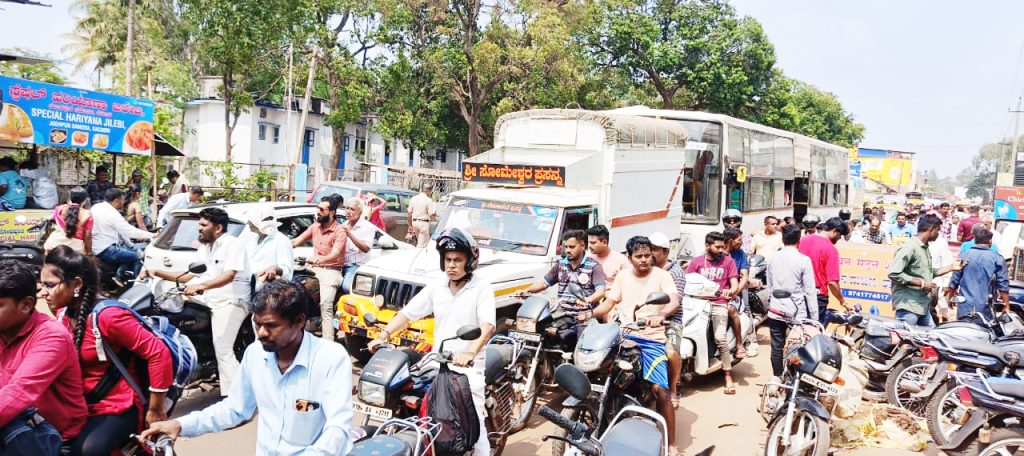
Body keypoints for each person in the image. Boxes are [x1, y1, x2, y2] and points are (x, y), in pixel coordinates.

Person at [140, 280, 355, 455]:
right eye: (257, 323)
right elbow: (235, 408)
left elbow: (338, 429)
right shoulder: (255, 354)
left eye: (271, 325)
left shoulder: (331, 358)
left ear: (299, 321)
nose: (261, 333)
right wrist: (180, 424)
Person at [368, 228, 496, 456]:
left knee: (473, 425)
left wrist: (469, 353)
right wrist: (383, 335)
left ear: (470, 261)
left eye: (458, 260)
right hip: (437, 361)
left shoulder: (481, 288)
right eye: (448, 259)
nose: (452, 265)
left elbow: (488, 326)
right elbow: (408, 313)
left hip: (467, 368)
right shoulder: (438, 286)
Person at [42, 247, 172, 456]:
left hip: (118, 404)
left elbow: (158, 353)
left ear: (77, 284)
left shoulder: (108, 316)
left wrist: (156, 409)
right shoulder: (63, 314)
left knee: (87, 451)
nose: (43, 292)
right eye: (42, 285)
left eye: (50, 285)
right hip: (80, 404)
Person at [143, 208, 250, 394]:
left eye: (203, 225)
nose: (199, 228)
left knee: (223, 348)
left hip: (230, 300)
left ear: (218, 228)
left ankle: (236, 396)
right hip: (209, 298)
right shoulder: (205, 247)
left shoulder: (232, 244)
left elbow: (229, 275)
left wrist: (203, 286)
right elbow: (189, 275)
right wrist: (157, 272)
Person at [592, 236, 680, 454]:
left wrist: (661, 315)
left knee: (661, 391)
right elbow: (610, 302)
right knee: (600, 376)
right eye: (638, 256)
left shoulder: (662, 275)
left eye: (647, 255)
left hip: (651, 338)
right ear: (629, 257)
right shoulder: (622, 276)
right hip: (624, 335)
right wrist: (590, 313)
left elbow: (673, 300)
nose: (644, 260)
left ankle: (670, 443)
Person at [0, 260, 87, 453]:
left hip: (51, 437)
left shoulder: (51, 337)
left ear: (26, 305)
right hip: (12, 425)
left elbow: (19, 390)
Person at [685, 232, 740, 394]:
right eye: (717, 247)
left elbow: (734, 283)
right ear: (707, 245)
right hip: (697, 303)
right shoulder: (696, 262)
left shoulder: (728, 261)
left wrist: (730, 291)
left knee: (720, 338)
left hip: (719, 303)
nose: (721, 250)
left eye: (722, 247)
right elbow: (687, 282)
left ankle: (727, 374)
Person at [888, 215, 960, 328]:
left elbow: (928, 272)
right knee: (903, 336)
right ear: (931, 229)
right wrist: (921, 283)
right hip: (909, 305)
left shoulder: (924, 248)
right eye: (937, 231)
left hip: (922, 305)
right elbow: (894, 273)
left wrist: (951, 267)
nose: (938, 234)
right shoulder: (909, 247)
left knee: (930, 336)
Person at [765, 225, 817, 381]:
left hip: (775, 310)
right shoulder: (803, 260)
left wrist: (772, 303)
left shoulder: (773, 258)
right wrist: (814, 318)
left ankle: (777, 378)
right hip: (797, 313)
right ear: (799, 240)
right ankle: (794, 379)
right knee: (798, 346)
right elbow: (810, 291)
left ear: (783, 239)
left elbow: (770, 285)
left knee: (776, 347)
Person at [292, 195, 347, 340]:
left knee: (325, 305)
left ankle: (328, 343)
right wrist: (280, 244)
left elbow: (335, 254)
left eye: (322, 209)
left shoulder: (340, 231)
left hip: (331, 271)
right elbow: (297, 241)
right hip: (313, 270)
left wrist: (320, 259)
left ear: (332, 212)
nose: (318, 211)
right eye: (318, 208)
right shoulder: (315, 226)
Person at [518, 230, 606, 320]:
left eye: (572, 247)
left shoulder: (594, 267)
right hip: (561, 314)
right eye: (566, 247)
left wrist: (589, 299)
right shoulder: (560, 265)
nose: (568, 250)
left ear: (582, 246)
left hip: (584, 316)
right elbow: (544, 283)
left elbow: (601, 291)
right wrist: (526, 290)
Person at [649, 231, 686, 409]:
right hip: (644, 319)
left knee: (671, 353)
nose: (650, 254)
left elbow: (674, 302)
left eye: (655, 249)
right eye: (649, 249)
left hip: (669, 321)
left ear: (665, 252)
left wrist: (661, 315)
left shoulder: (675, 273)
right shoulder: (646, 269)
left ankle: (673, 388)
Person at [948, 228, 1009, 324]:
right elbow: (1003, 285)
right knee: (985, 330)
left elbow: (954, 281)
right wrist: (1006, 306)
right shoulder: (997, 259)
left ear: (975, 240)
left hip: (965, 306)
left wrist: (950, 297)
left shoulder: (964, 256)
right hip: (986, 307)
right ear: (990, 241)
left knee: (963, 329)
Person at [92, 188, 154, 279]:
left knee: (132, 251)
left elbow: (123, 232)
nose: (123, 202)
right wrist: (151, 235)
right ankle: (135, 282)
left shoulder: (96, 207)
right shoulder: (112, 213)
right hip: (108, 249)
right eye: (122, 200)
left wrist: (131, 244)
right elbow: (129, 231)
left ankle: (122, 275)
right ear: (116, 201)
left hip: (98, 247)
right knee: (139, 256)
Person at [798, 217, 849, 324]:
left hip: (797, 293)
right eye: (840, 235)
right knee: (814, 330)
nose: (839, 239)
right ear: (835, 231)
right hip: (817, 296)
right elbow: (832, 282)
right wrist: (842, 300)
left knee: (798, 328)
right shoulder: (830, 249)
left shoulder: (802, 240)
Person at [241, 205, 294, 289]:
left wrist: (274, 269)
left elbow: (286, 271)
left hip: (265, 291)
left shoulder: (281, 241)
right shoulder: (254, 239)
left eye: (250, 220)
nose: (248, 222)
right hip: (247, 287)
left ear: (257, 221)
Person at [723, 228, 750, 359]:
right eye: (739, 240)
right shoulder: (715, 253)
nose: (741, 242)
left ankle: (739, 344)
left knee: (731, 310)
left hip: (734, 294)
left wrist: (736, 291)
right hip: (715, 294)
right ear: (730, 241)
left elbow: (744, 276)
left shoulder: (740, 254)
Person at [340, 197, 376, 283]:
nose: (348, 211)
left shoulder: (367, 227)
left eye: (352, 209)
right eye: (347, 208)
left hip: (355, 265)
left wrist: (350, 234)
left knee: (347, 286)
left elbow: (366, 248)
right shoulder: (344, 224)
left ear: (360, 212)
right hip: (341, 264)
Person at [49, 187, 94, 255]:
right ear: (85, 200)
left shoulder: (59, 208)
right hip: (76, 249)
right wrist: (89, 252)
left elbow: (52, 226)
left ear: (69, 198)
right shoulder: (87, 214)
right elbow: (87, 236)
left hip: (54, 244)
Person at [406, 183, 437, 248]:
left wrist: (410, 226)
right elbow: (432, 215)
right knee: (422, 246)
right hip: (424, 224)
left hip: (414, 223)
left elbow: (409, 214)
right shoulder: (429, 200)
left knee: (420, 242)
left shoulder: (413, 198)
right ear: (429, 191)